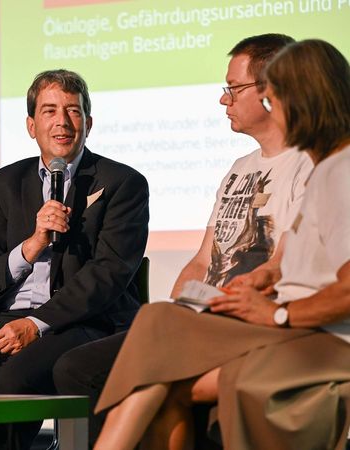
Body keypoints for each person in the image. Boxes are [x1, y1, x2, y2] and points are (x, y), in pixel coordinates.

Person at [53, 33, 313, 446]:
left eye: (234, 88)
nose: (224, 100)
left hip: (248, 319)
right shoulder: (238, 167)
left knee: (119, 371)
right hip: (204, 317)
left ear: (271, 90)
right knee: (76, 365)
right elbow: (200, 261)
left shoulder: (309, 163)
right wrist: (182, 310)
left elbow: (280, 266)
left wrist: (199, 315)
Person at [0, 69, 149, 449]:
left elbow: (108, 275)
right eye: (50, 111)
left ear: (88, 122)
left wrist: (36, 324)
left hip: (80, 324)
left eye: (72, 111)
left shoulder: (123, 182)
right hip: (5, 320)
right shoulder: (7, 182)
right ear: (30, 124)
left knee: (11, 382)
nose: (62, 122)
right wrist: (32, 245)